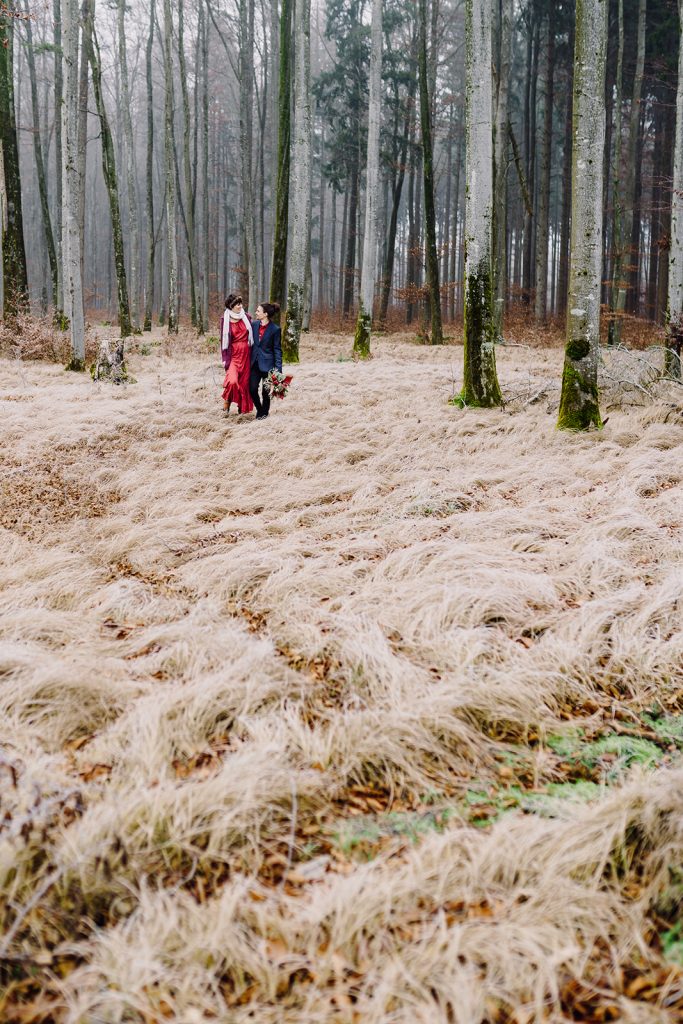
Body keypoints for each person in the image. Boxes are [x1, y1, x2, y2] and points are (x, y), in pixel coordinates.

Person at [220, 294, 254, 415]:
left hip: (246, 354)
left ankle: (242, 410)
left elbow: (253, 335)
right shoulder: (225, 320)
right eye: (238, 304)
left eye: (241, 303)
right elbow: (223, 340)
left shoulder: (247, 317)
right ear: (231, 306)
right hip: (233, 355)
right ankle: (227, 402)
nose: (240, 306)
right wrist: (225, 358)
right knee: (232, 381)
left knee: (244, 384)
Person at [250, 302, 283, 420]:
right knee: (252, 389)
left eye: (258, 311)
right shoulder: (253, 325)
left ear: (265, 314)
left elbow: (277, 350)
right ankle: (260, 410)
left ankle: (264, 415)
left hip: (268, 366)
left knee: (266, 392)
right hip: (254, 363)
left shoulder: (275, 329)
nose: (256, 312)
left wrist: (278, 371)